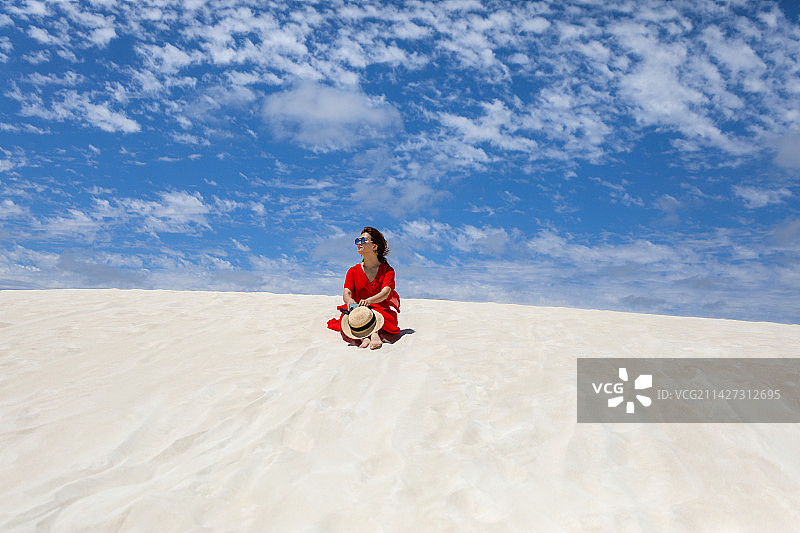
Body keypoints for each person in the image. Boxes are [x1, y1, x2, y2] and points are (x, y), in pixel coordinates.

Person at [327, 226, 400, 349]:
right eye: (357, 241)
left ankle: (374, 332)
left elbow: (385, 292)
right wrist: (351, 303)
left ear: (374, 246)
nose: (359, 244)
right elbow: (347, 294)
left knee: (378, 315)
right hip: (357, 309)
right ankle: (363, 336)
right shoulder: (352, 271)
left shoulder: (388, 270)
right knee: (352, 317)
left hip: (380, 309)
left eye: (363, 241)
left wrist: (369, 301)